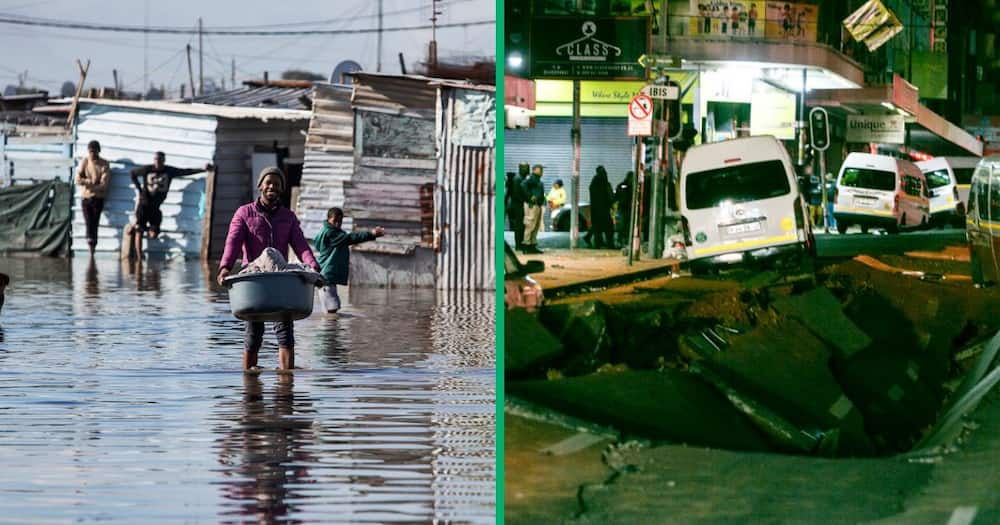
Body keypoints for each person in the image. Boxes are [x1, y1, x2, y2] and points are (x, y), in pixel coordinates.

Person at [217, 167, 319, 372]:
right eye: (268, 182)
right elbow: (233, 243)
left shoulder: (287, 217)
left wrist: (315, 268)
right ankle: (249, 381)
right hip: (254, 278)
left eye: (277, 183)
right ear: (260, 186)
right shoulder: (245, 213)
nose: (272, 186)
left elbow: (301, 246)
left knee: (285, 330)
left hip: (279, 278)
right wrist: (225, 268)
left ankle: (286, 381)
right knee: (254, 333)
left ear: (282, 189)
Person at [313, 207, 384, 314]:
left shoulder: (326, 232)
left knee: (331, 311)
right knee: (332, 310)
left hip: (326, 276)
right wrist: (371, 234)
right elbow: (350, 238)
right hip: (326, 277)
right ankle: (330, 330)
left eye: (340, 222)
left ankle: (331, 330)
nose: (337, 224)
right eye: (335, 221)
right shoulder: (330, 233)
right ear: (328, 219)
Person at [130, 151, 212, 242]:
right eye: (156, 159)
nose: (158, 162)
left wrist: (202, 169)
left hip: (156, 206)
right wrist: (139, 189)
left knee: (154, 231)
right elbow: (133, 173)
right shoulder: (147, 169)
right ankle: (139, 255)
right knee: (139, 230)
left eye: (160, 160)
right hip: (144, 204)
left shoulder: (169, 171)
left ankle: (147, 242)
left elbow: (185, 172)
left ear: (164, 160)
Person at [74, 140, 111, 255]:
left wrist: (91, 186)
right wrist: (90, 182)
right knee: (88, 222)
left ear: (98, 151)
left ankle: (93, 247)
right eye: (90, 151)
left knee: (94, 223)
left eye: (94, 151)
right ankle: (90, 244)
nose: (92, 154)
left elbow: (104, 185)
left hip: (98, 199)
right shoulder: (85, 162)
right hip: (86, 198)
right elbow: (77, 179)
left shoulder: (104, 164)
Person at [585, 166, 615, 249]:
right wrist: (610, 203)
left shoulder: (594, 182)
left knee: (598, 227)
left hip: (596, 209)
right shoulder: (603, 182)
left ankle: (598, 243)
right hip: (603, 208)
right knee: (607, 227)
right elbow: (608, 196)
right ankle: (607, 244)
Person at [521, 164, 546, 254]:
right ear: (534, 170)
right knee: (530, 225)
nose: (542, 171)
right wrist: (529, 196)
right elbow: (523, 185)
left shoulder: (537, 179)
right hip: (531, 205)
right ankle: (526, 246)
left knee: (535, 226)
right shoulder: (531, 177)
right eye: (540, 169)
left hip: (537, 205)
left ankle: (532, 245)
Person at [506, 164, 528, 250]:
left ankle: (520, 244)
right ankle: (519, 245)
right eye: (526, 168)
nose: (528, 170)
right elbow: (517, 194)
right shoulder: (518, 179)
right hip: (517, 206)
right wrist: (525, 200)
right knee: (519, 226)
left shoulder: (520, 178)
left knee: (520, 226)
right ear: (520, 169)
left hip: (518, 205)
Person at [615, 172, 634, 248]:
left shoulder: (632, 185)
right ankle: (621, 239)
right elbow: (618, 196)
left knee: (628, 225)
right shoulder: (624, 185)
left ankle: (625, 239)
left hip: (628, 208)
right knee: (623, 225)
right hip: (623, 208)